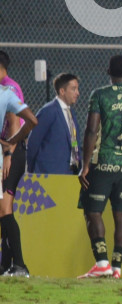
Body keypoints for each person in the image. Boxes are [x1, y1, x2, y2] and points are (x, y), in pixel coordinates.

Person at [77, 55, 122, 279]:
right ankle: (117, 267)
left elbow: (91, 131)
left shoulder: (100, 95)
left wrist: (86, 164)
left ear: (107, 71)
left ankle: (102, 263)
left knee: (93, 211)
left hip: (104, 163)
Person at [0, 52, 38, 278]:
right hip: (10, 152)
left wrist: (8, 151)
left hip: (10, 155)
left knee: (5, 210)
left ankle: (19, 265)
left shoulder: (8, 88)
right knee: (3, 210)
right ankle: (7, 266)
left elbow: (16, 121)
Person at [27, 73, 82, 175]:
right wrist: (31, 168)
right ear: (62, 91)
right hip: (50, 173)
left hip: (70, 172)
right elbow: (33, 141)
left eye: (77, 89)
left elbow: (74, 141)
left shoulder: (71, 113)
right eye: (73, 89)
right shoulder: (49, 111)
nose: (77, 93)